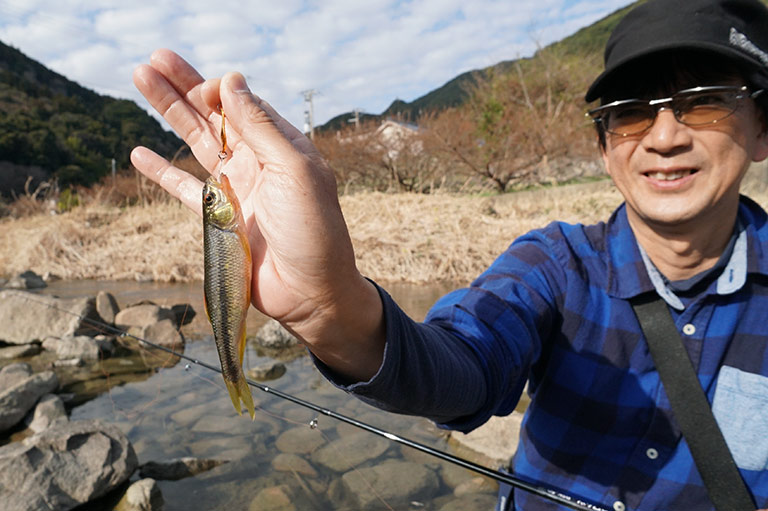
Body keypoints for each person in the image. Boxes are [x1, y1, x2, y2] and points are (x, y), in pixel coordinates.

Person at [131, 0, 768, 508]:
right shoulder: (553, 265)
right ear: (604, 148)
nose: (664, 136)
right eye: (630, 115)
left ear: (762, 128)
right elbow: (463, 364)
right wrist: (334, 311)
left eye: (705, 103)